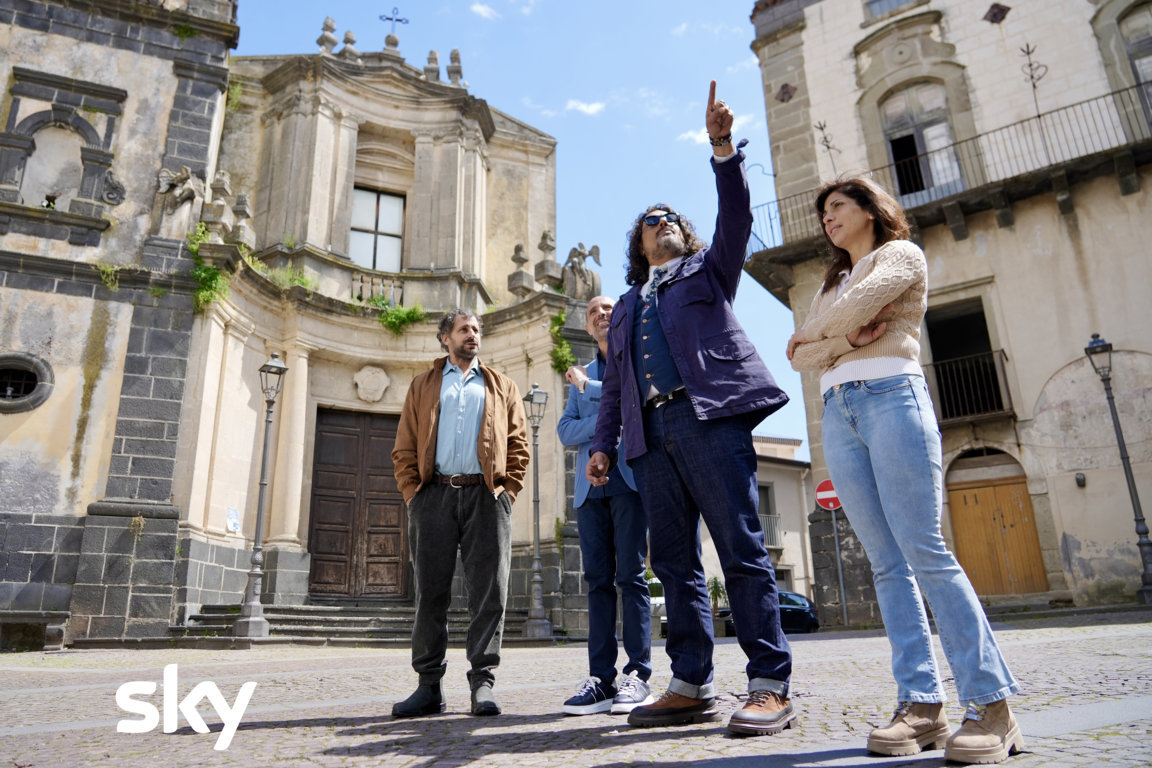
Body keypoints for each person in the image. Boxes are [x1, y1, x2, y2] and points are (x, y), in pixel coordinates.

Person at [787, 177, 1023, 764]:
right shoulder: (830, 284)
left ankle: (992, 706)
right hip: (838, 412)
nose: (828, 219)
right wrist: (842, 335)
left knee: (925, 551)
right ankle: (922, 706)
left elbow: (838, 323)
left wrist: (825, 332)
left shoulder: (901, 255)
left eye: (837, 206)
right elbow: (801, 358)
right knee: (887, 565)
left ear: (870, 210)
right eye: (823, 213)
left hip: (893, 394)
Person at [587, 81, 794, 737]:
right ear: (639, 244)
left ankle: (769, 684)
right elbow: (615, 386)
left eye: (672, 216)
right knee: (673, 563)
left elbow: (737, 218)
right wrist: (603, 444)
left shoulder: (709, 270)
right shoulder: (626, 306)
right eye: (653, 220)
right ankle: (690, 683)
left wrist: (722, 149)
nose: (665, 222)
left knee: (740, 549)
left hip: (709, 421)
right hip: (649, 438)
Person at [391, 308, 530, 719]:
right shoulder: (423, 385)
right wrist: (413, 494)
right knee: (429, 592)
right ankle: (428, 686)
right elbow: (404, 444)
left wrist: (508, 491)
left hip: (486, 497)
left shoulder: (502, 385)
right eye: (464, 329)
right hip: (433, 495)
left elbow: (519, 444)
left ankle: (482, 683)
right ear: (445, 338)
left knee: (489, 592)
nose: (472, 334)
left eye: (476, 329)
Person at [557, 295, 653, 716]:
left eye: (609, 309)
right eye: (594, 311)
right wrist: (604, 412)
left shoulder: (634, 359)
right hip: (588, 490)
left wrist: (587, 389)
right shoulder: (582, 372)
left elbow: (635, 409)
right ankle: (601, 679)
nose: (601, 314)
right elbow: (564, 430)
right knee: (597, 581)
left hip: (628, 483)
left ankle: (638, 674)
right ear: (587, 325)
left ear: (621, 318)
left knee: (631, 577)